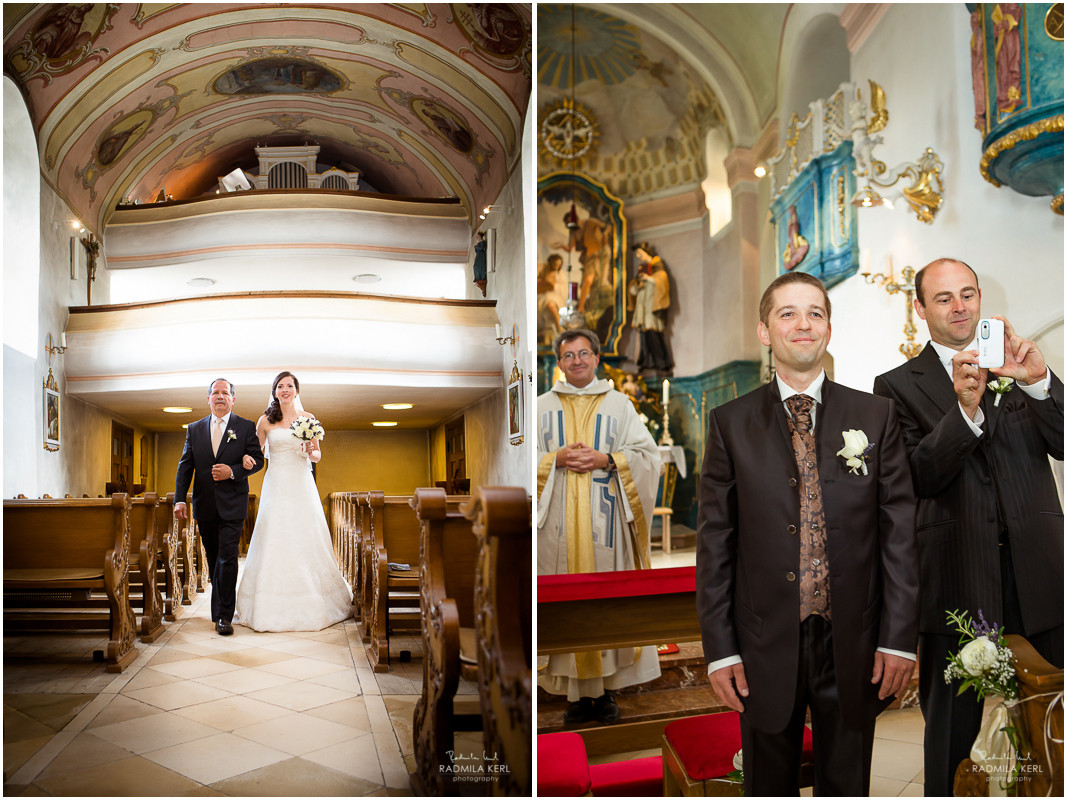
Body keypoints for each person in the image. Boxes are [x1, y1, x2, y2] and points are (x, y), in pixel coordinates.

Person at [698, 272, 918, 796]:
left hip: (855, 637)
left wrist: (898, 638)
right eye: (788, 313)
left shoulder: (875, 415)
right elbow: (715, 544)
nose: (803, 324)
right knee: (768, 785)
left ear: (828, 329)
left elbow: (899, 534)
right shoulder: (730, 422)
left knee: (847, 784)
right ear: (764, 330)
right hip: (763, 639)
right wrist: (721, 649)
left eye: (815, 313)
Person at [873, 258, 1064, 796]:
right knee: (953, 739)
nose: (960, 307)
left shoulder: (1018, 366)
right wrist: (965, 410)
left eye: (968, 294)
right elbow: (916, 476)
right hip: (958, 577)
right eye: (943, 298)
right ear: (919, 308)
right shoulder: (894, 386)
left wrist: (1040, 382)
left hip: (1038, 572)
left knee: (1050, 726)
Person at [536, 329, 662, 725]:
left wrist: (607, 459)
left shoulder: (620, 405)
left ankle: (606, 693)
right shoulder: (539, 406)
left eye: (584, 353)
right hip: (555, 528)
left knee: (603, 604)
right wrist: (553, 460)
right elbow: (517, 455)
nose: (576, 360)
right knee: (567, 606)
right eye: (568, 355)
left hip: (605, 528)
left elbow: (647, 456)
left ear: (596, 358)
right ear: (559, 362)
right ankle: (575, 697)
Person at [234, 371, 353, 632]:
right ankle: (266, 605)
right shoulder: (265, 421)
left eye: (289, 385)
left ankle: (316, 601)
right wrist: (245, 460)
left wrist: (311, 451)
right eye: (280, 386)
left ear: (296, 391)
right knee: (274, 535)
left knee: (305, 535)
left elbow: (317, 456)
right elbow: (255, 453)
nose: (285, 389)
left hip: (301, 484)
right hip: (276, 483)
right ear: (275, 391)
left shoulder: (308, 419)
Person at [175, 379, 265, 636]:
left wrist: (234, 472)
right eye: (215, 393)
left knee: (227, 558)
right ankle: (222, 606)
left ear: (233, 399)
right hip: (205, 506)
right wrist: (180, 498)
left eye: (225, 393)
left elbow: (257, 460)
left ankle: (223, 616)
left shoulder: (246, 427)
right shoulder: (194, 429)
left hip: (233, 504)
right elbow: (185, 466)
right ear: (208, 399)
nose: (220, 396)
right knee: (214, 559)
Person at [628, 243, 672, 374]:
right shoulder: (640, 272)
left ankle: (661, 362)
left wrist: (649, 279)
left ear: (647, 254)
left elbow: (662, 283)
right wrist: (638, 286)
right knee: (644, 338)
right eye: (637, 255)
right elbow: (632, 290)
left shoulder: (658, 270)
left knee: (654, 335)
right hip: (642, 311)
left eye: (640, 254)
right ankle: (647, 362)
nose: (639, 257)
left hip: (652, 311)